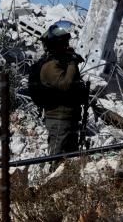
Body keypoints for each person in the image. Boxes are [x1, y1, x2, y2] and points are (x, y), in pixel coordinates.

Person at [38, 20, 88, 159]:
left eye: (67, 43)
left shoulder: (62, 63)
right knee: (57, 158)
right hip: (58, 119)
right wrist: (73, 62)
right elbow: (65, 85)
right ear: (56, 45)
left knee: (71, 159)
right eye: (64, 44)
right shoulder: (50, 66)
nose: (67, 46)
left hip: (70, 117)